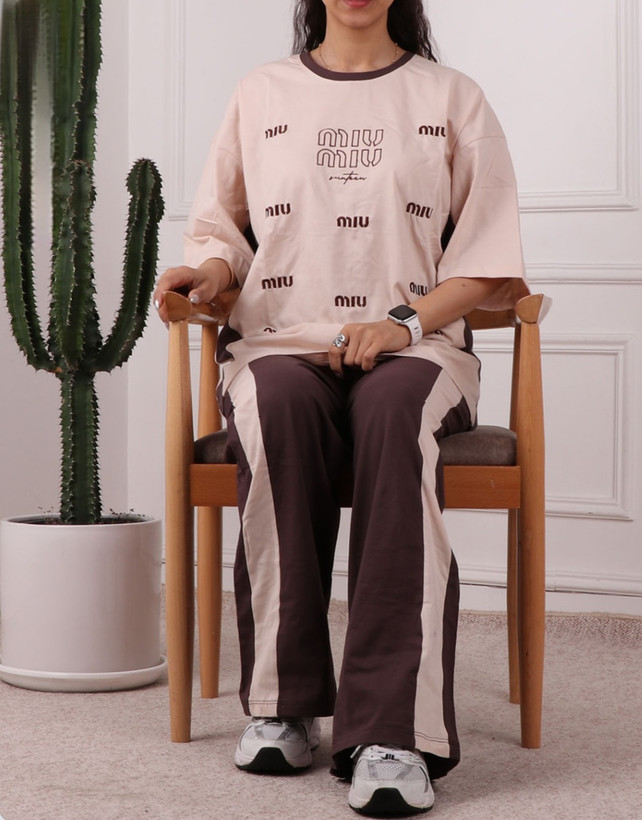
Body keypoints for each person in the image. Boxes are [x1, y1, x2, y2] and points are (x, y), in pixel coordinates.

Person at [154, 0, 528, 815]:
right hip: (279, 343)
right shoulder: (260, 93)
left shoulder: (452, 97)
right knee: (276, 408)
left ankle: (395, 733)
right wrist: (205, 277)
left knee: (394, 415)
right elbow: (222, 236)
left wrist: (402, 326)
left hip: (419, 350)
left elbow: (488, 262)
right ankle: (283, 704)